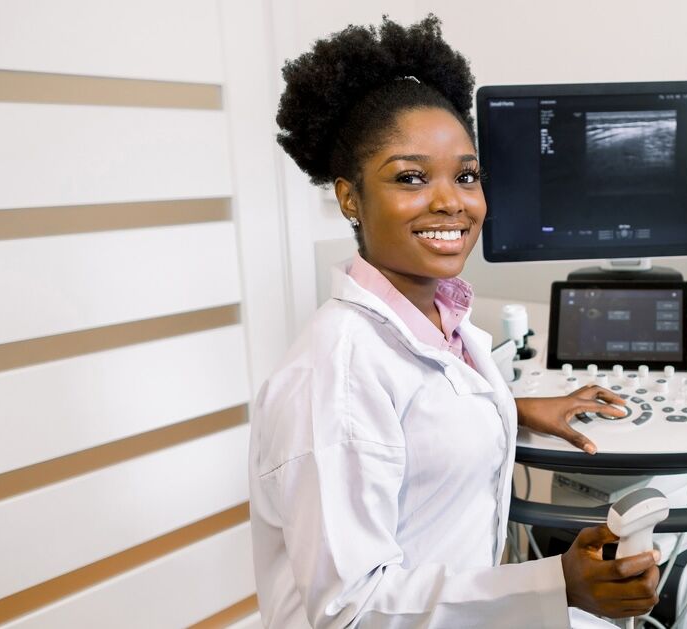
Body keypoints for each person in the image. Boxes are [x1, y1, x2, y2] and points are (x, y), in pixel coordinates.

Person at [249, 15, 661, 628]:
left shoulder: (443, 319)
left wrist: (508, 406)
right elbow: (351, 612)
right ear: (349, 197)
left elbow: (414, 419)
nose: (451, 201)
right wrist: (558, 584)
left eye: (466, 175)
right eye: (411, 177)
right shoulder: (334, 374)